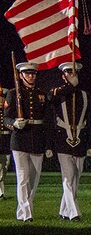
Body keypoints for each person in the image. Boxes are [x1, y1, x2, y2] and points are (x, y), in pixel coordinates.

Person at [5, 62, 51, 221]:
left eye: (33, 74)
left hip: (37, 138)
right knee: (23, 178)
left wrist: (48, 143)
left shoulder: (41, 93)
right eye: (28, 73)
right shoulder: (13, 93)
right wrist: (14, 123)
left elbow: (47, 118)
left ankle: (25, 208)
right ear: (21, 75)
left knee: (34, 179)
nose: (31, 76)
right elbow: (6, 118)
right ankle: (26, 213)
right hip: (20, 140)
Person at [51, 61, 91, 221]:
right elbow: (50, 97)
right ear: (63, 76)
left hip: (80, 140)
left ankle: (64, 211)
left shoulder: (84, 95)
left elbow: (90, 121)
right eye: (68, 73)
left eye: (74, 72)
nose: (71, 75)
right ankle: (75, 213)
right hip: (63, 140)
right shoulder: (58, 92)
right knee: (68, 177)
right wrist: (70, 87)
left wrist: (90, 144)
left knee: (76, 177)